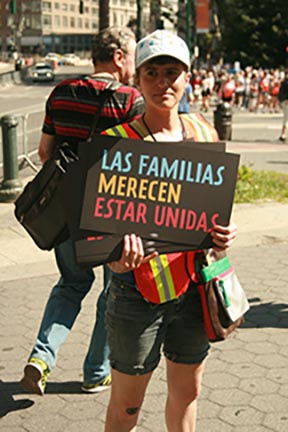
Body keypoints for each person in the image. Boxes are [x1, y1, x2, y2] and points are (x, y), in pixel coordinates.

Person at [101, 30, 237, 431]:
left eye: (173, 72)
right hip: (135, 293)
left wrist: (224, 234)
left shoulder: (203, 133)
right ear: (137, 79)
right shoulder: (115, 144)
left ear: (188, 77)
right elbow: (94, 232)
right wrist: (116, 258)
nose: (164, 82)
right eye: (153, 72)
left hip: (195, 288)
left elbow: (218, 212)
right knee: (127, 406)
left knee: (188, 393)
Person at [20, 26, 144, 396]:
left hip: (68, 211)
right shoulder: (129, 100)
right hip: (110, 213)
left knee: (71, 283)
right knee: (114, 290)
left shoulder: (61, 93)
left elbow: (45, 154)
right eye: (133, 56)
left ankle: (41, 358)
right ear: (119, 57)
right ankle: (96, 371)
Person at [278, 70, 288, 142]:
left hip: (285, 101)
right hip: (286, 102)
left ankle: (283, 134)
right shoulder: (285, 83)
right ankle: (283, 134)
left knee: (286, 119)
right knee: (286, 119)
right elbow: (281, 93)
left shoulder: (284, 82)